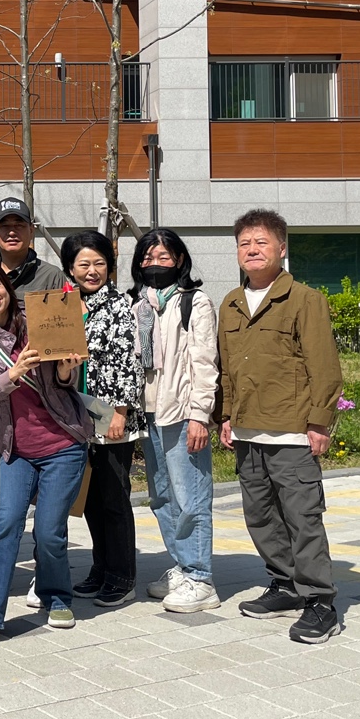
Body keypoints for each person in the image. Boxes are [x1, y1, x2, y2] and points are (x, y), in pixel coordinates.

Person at [219, 209, 343, 644]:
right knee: (261, 516)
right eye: (244, 243)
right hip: (247, 430)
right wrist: (226, 415)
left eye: (261, 242)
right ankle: (285, 584)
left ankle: (320, 602)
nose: (252, 250)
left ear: (281, 248)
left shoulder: (305, 300)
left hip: (292, 430)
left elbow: (324, 366)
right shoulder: (231, 302)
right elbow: (227, 368)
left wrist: (319, 421)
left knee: (302, 518)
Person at [0, 260, 91, 650]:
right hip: (16, 450)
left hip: (63, 443)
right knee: (5, 523)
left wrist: (66, 369)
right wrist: (11, 375)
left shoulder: (39, 321)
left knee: (49, 531)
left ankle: (56, 595)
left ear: (7, 287)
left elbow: (65, 381)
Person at [0, 196, 69, 595]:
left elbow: (66, 331)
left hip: (44, 405)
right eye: (4, 226)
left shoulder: (51, 276)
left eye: (19, 224)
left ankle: (45, 573)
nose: (12, 232)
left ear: (31, 230)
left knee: (49, 504)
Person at [129, 227, 221, 614]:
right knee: (163, 497)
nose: (155, 263)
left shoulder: (194, 302)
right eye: (148, 257)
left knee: (190, 497)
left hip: (182, 413)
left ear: (179, 260)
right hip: (149, 414)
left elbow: (205, 362)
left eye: (163, 256)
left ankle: (201, 578)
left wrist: (200, 415)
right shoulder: (139, 305)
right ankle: (183, 567)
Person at [62, 230, 145, 608]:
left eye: (99, 263)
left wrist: (120, 413)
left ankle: (122, 576)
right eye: (84, 264)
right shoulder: (66, 305)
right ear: (70, 268)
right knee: (92, 498)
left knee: (113, 497)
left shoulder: (118, 305)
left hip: (110, 415)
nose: (92, 271)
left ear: (110, 267)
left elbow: (128, 361)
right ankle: (101, 567)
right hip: (79, 415)